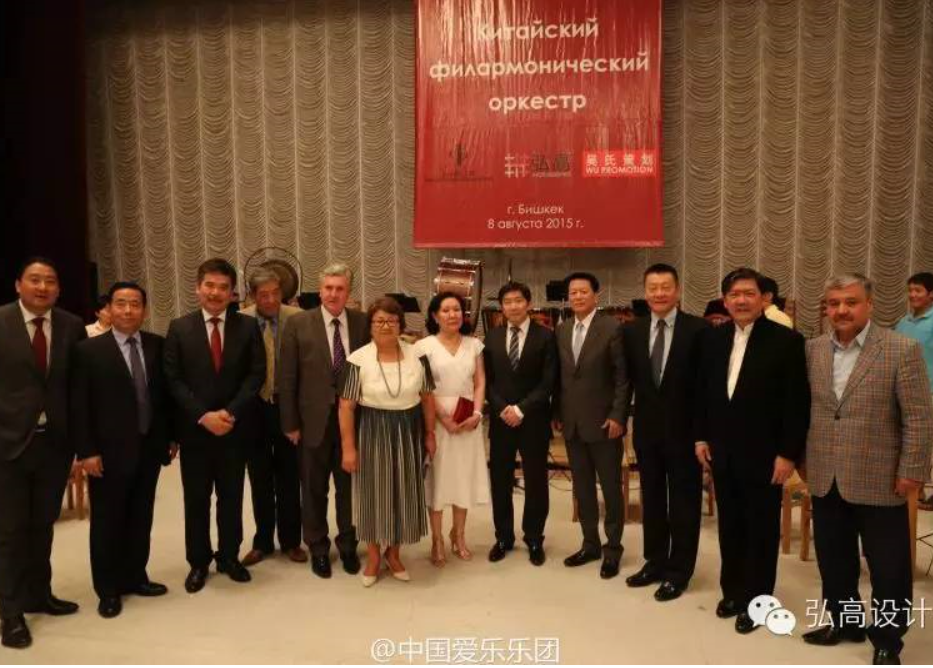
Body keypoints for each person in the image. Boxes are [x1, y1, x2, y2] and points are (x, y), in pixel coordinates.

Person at [801, 274, 933, 666]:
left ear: (870, 305)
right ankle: (845, 623)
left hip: (882, 476)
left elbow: (919, 417)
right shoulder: (813, 349)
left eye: (851, 302)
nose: (841, 310)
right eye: (833, 303)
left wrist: (912, 469)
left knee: (889, 567)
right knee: (834, 560)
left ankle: (888, 639)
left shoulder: (900, 348)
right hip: (826, 474)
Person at [694, 267, 810, 634]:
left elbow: (796, 402)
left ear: (764, 299)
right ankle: (733, 592)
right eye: (734, 294)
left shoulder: (787, 341)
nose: (741, 300)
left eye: (748, 293)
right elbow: (704, 393)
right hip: (722, 451)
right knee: (730, 526)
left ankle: (758, 601)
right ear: (724, 300)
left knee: (761, 530)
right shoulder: (713, 338)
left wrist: (788, 453)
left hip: (765, 454)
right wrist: (701, 437)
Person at [71, 282, 175, 619]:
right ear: (108, 309)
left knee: (140, 516)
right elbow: (80, 406)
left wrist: (170, 437)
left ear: (144, 309)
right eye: (120, 303)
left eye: (135, 304)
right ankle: (108, 589)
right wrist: (86, 451)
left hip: (149, 448)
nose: (128, 310)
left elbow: (164, 398)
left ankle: (135, 577)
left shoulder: (157, 345)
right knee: (107, 521)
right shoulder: (88, 351)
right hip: (107, 453)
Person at [163, 258, 265, 593]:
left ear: (232, 293)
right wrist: (203, 416)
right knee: (196, 500)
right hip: (195, 431)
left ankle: (229, 557)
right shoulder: (179, 328)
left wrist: (230, 413)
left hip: (234, 430)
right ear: (198, 288)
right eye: (209, 285)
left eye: (223, 287)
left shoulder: (248, 327)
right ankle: (198, 562)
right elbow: (173, 379)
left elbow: (255, 375)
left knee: (231, 497)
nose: (215, 292)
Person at [0, 257, 85, 649]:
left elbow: (76, 387)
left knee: (42, 525)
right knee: (10, 531)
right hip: (8, 446)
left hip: (53, 445)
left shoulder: (70, 325)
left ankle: (39, 593)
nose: (42, 287)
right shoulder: (2, 322)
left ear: (58, 289)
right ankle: (10, 612)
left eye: (50, 281)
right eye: (34, 279)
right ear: (18, 284)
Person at [622, 264, 707, 602]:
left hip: (686, 434)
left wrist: (703, 434)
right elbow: (628, 383)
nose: (659, 293)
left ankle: (679, 571)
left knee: (685, 503)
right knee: (653, 499)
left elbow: (706, 388)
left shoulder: (698, 330)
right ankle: (655, 562)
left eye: (665, 287)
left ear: (678, 290)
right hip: (647, 432)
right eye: (653, 287)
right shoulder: (632, 331)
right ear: (645, 292)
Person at [338, 297, 437, 586]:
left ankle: (394, 554)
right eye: (379, 321)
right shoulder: (357, 359)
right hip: (372, 431)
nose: (385, 326)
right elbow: (346, 407)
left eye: (392, 321)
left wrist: (430, 433)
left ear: (400, 325)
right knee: (373, 494)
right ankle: (372, 556)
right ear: (370, 326)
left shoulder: (417, 356)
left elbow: (427, 398)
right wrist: (348, 447)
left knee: (403, 494)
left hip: (408, 431)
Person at [279, 263, 369, 579]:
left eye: (339, 288)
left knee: (349, 489)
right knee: (313, 488)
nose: (333, 294)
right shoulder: (298, 324)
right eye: (328, 288)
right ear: (320, 290)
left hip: (353, 422)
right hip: (311, 422)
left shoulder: (362, 322)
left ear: (348, 292)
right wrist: (290, 423)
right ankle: (318, 547)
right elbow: (287, 377)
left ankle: (348, 545)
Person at [552, 272, 629, 580]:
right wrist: (557, 412)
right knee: (582, 489)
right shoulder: (562, 329)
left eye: (583, 291)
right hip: (572, 423)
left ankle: (613, 549)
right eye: (573, 292)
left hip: (605, 423)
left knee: (610, 489)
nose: (578, 297)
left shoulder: (612, 327)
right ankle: (590, 544)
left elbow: (623, 377)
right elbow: (560, 377)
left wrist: (618, 416)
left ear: (596, 295)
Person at [483, 281, 557, 566]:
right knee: (500, 481)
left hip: (534, 419)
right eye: (507, 302)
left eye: (518, 300)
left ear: (528, 303)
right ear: (501, 307)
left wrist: (521, 409)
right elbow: (487, 381)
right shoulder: (491, 337)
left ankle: (534, 537)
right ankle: (503, 537)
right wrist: (503, 408)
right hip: (501, 420)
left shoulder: (546, 336)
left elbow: (548, 381)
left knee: (536, 481)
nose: (513, 306)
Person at [239, 269, 306, 567]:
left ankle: (291, 540)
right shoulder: (241, 320)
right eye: (263, 295)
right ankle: (263, 541)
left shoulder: (298, 318)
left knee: (290, 477)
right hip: (253, 409)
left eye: (275, 293)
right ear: (253, 296)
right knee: (259, 477)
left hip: (288, 406)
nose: (270, 300)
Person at [417, 291, 490, 566]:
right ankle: (436, 539)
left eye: (457, 309)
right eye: (446, 310)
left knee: (463, 479)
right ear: (435, 316)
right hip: (435, 419)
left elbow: (480, 382)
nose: (452, 315)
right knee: (437, 481)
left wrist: (477, 413)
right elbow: (423, 387)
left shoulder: (474, 345)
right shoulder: (423, 346)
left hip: (468, 418)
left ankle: (458, 535)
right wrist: (443, 417)